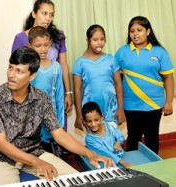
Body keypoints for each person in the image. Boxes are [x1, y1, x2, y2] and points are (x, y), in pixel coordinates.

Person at [0, 46, 115, 186]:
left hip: (34, 151)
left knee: (78, 182)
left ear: (32, 76)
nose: (11, 75)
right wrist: (36, 162)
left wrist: (89, 154)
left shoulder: (41, 99)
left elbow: (59, 134)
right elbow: (2, 144)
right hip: (2, 157)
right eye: (10, 68)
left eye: (19, 71)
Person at [115, 16, 174, 154]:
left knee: (152, 138)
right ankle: (133, 171)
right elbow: (115, 78)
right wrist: (120, 107)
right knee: (133, 139)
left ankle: (154, 169)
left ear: (148, 31)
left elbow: (169, 77)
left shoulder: (159, 51)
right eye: (132, 31)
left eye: (139, 30)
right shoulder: (122, 51)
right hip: (130, 105)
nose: (135, 34)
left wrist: (169, 101)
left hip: (154, 105)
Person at [11, 0, 73, 115]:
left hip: (55, 93)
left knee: (57, 129)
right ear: (34, 14)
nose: (48, 18)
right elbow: (15, 70)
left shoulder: (58, 36)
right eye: (44, 13)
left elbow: (63, 64)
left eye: (51, 14)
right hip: (30, 96)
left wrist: (68, 93)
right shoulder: (20, 38)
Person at [73, 24, 126, 131]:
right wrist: (79, 115)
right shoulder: (80, 63)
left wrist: (121, 109)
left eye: (102, 39)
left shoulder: (110, 59)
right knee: (95, 144)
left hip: (111, 110)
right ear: (88, 40)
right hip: (91, 113)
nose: (99, 42)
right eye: (95, 39)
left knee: (112, 143)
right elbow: (77, 90)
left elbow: (118, 85)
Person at [28, 26, 64, 154]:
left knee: (52, 156)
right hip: (31, 120)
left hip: (51, 118)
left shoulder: (56, 68)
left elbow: (59, 96)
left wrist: (59, 123)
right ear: (30, 46)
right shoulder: (27, 68)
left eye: (46, 45)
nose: (43, 49)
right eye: (38, 46)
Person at [82, 102, 134, 168]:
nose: (93, 124)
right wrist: (124, 163)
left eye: (96, 120)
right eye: (89, 121)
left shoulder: (108, 126)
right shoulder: (89, 139)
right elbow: (106, 153)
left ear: (102, 117)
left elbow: (120, 136)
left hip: (121, 156)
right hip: (105, 164)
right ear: (84, 121)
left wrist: (118, 143)